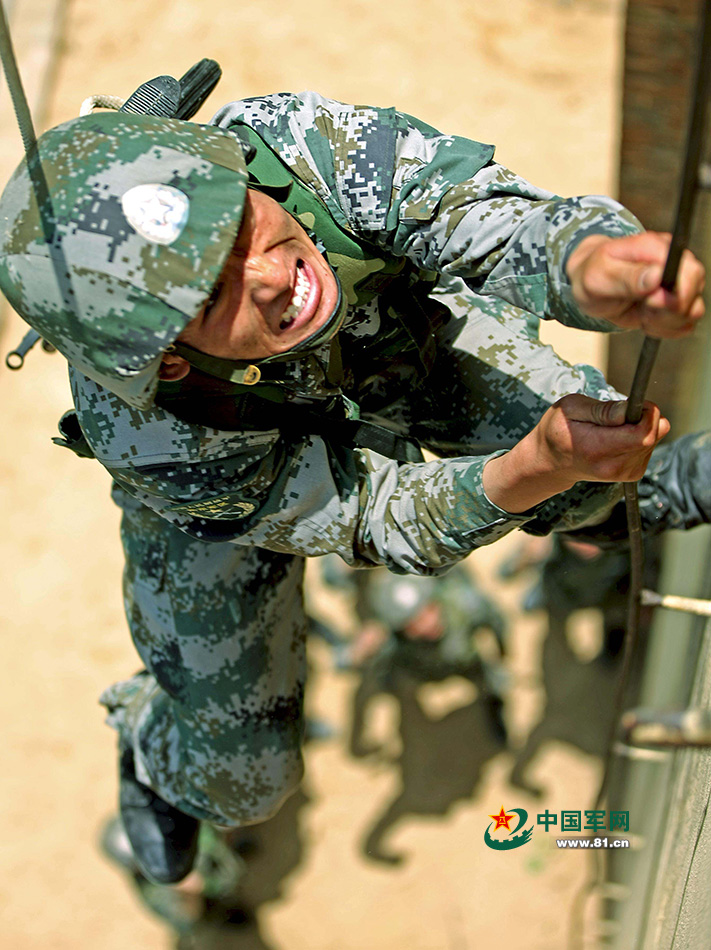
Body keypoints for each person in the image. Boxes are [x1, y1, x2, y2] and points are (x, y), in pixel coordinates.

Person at [0, 84, 708, 885]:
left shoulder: (298, 148)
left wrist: (586, 262)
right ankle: (151, 741)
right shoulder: (157, 435)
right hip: (236, 487)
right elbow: (367, 517)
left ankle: (673, 485)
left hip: (386, 343)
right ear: (168, 362)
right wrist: (528, 467)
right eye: (213, 297)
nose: (269, 274)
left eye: (236, 222)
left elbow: (477, 217)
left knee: (589, 477)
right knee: (241, 780)